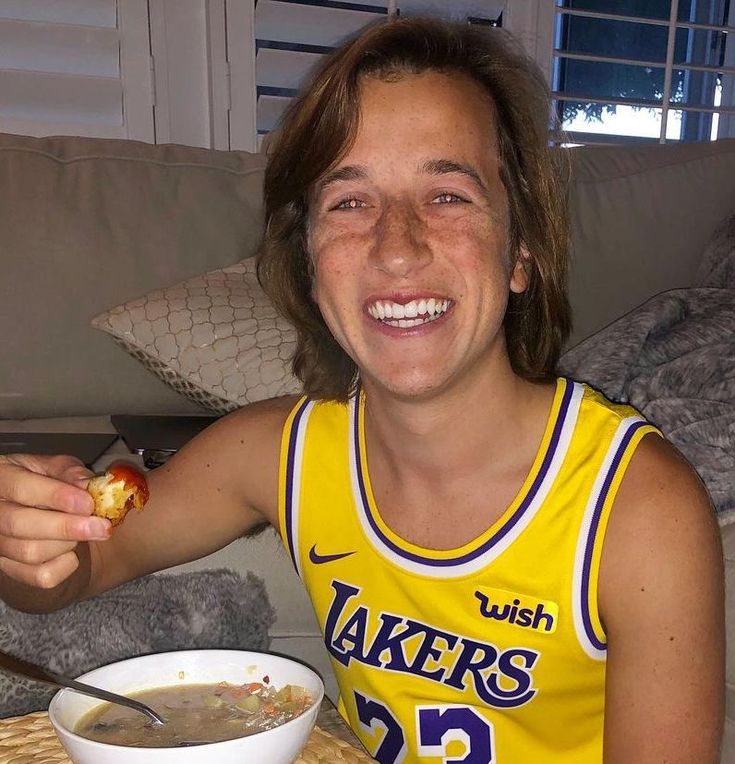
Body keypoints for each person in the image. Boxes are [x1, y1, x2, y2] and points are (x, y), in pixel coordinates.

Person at [0, 16, 724, 763]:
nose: (397, 246)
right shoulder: (272, 452)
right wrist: (35, 544)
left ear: (521, 252)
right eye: (349, 203)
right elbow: (77, 575)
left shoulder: (639, 510)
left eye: (446, 195)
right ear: (310, 263)